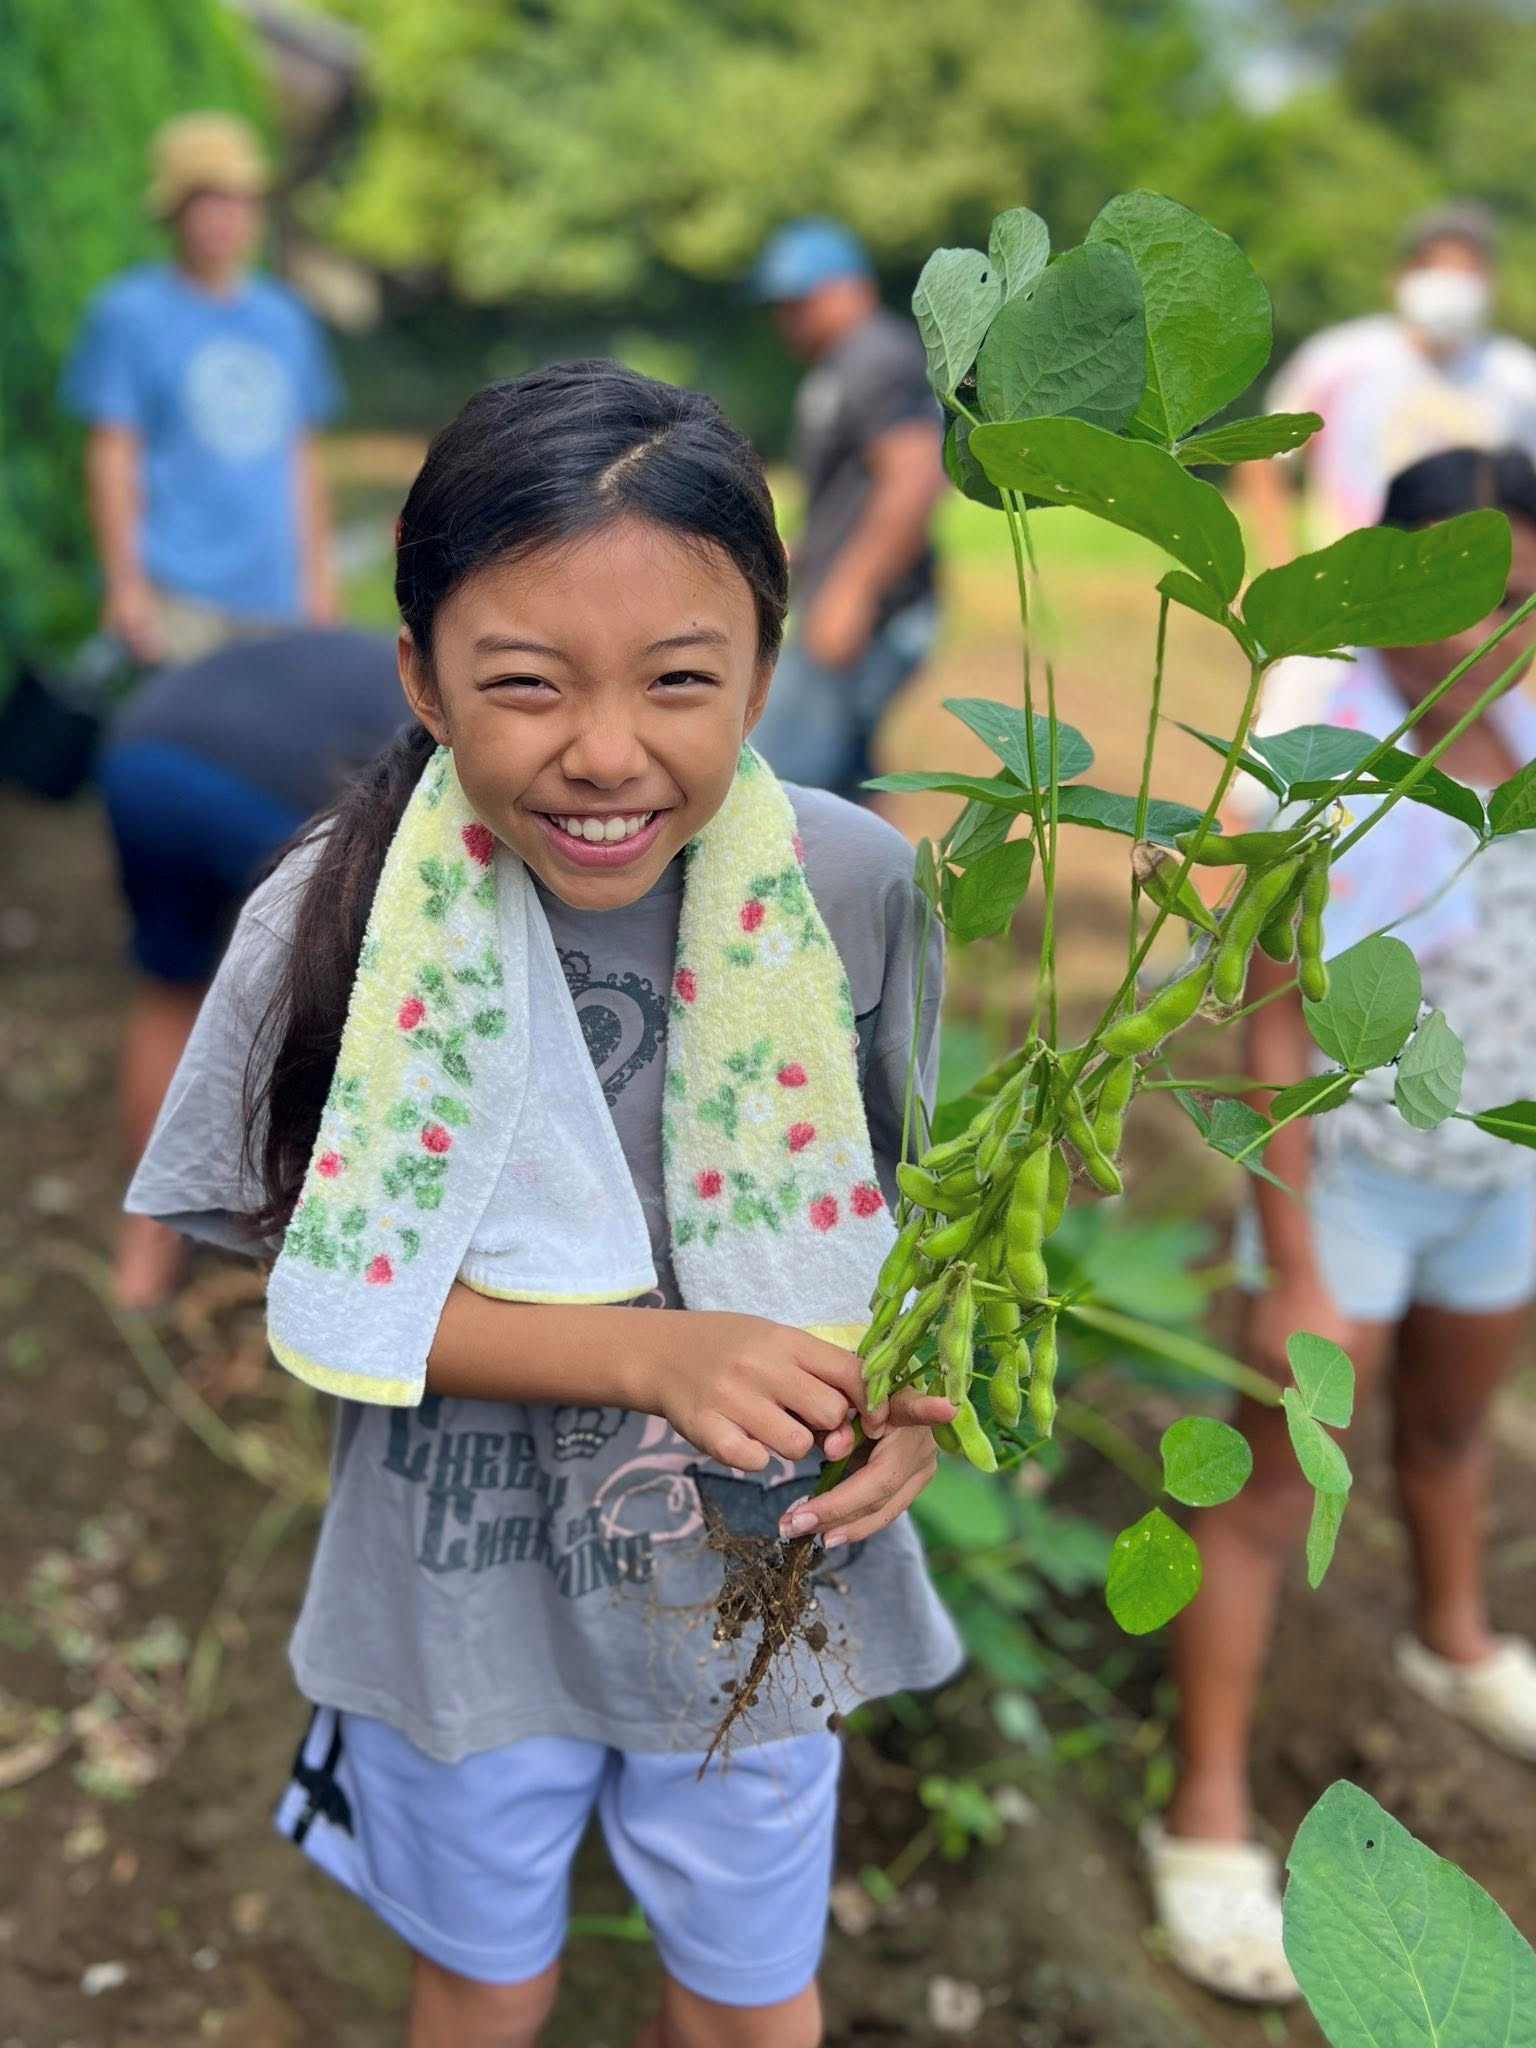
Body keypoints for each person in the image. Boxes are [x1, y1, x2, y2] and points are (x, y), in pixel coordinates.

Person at [124, 362, 963, 2048]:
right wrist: (655, 1357)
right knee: (481, 1988)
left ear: (768, 672)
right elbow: (322, 1284)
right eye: (524, 683)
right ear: (423, 679)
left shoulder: (853, 887)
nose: (604, 751)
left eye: (677, 681)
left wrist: (914, 1405)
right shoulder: (336, 910)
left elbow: (915, 1232)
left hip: (752, 1585)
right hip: (461, 1596)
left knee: (750, 1998)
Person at [1146, 447, 1536, 2004]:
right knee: (1257, 1492)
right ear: (1390, 584)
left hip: (1504, 1169)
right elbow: (1270, 1029)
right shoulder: (1321, 758)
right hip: (1352, 1178)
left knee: (1451, 1434)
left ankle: (1454, 1635)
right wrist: (1291, 1253)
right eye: (1463, 594)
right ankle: (1210, 1813)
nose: (1497, 629)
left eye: (1522, 597)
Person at [100, 627, 407, 1311]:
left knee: (170, 990)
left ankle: (143, 1260)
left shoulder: (356, 656)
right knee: (333, 1001)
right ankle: (317, 1254)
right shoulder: (445, 706)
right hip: (252, 796)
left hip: (141, 755)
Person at [62, 112, 342, 668]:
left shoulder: (284, 318)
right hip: (176, 598)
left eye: (240, 199)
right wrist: (124, 586)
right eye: (206, 199)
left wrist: (318, 580)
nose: (225, 217)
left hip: (275, 597)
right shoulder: (129, 314)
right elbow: (111, 455)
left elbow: (301, 456)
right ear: (174, 211)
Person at [747, 219, 947, 801]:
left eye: (799, 303)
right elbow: (848, 494)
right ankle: (890, 891)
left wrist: (852, 593)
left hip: (872, 612)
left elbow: (913, 476)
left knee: (781, 779)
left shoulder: (876, 357)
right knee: (851, 783)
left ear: (848, 288)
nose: (787, 320)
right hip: (847, 600)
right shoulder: (840, 366)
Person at [1239, 204, 1536, 569]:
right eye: (1436, 267)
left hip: (1471, 597)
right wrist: (1278, 564)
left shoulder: (1519, 377)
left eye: (1466, 270)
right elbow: (1263, 461)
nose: (1451, 284)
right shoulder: (1337, 360)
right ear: (1399, 277)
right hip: (1346, 587)